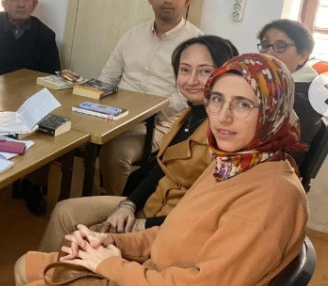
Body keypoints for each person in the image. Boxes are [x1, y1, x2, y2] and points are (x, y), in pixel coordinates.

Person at [5, 53, 308, 286]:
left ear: (272, 111)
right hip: (153, 281)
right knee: (27, 265)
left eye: (243, 104)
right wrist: (114, 242)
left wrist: (112, 266)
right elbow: (173, 231)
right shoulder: (232, 163)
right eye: (217, 99)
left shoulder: (271, 196)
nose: (223, 116)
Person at [25, 35, 237, 262]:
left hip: (169, 227)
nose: (192, 80)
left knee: (61, 247)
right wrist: (128, 204)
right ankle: (45, 275)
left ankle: (51, 273)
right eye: (185, 70)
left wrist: (143, 224)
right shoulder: (191, 113)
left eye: (205, 71)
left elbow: (205, 214)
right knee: (63, 212)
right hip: (152, 205)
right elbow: (159, 168)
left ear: (225, 73)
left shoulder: (223, 133)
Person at [97, 0, 203, 195]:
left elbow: (188, 96)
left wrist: (143, 111)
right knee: (73, 135)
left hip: (161, 124)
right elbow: (108, 78)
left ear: (187, 0)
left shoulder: (197, 44)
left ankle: (117, 208)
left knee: (116, 154)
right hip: (116, 116)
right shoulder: (133, 34)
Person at [257, 19, 323, 151]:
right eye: (265, 45)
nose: (268, 53)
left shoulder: (300, 99)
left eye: (281, 46)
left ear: (302, 56)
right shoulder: (274, 85)